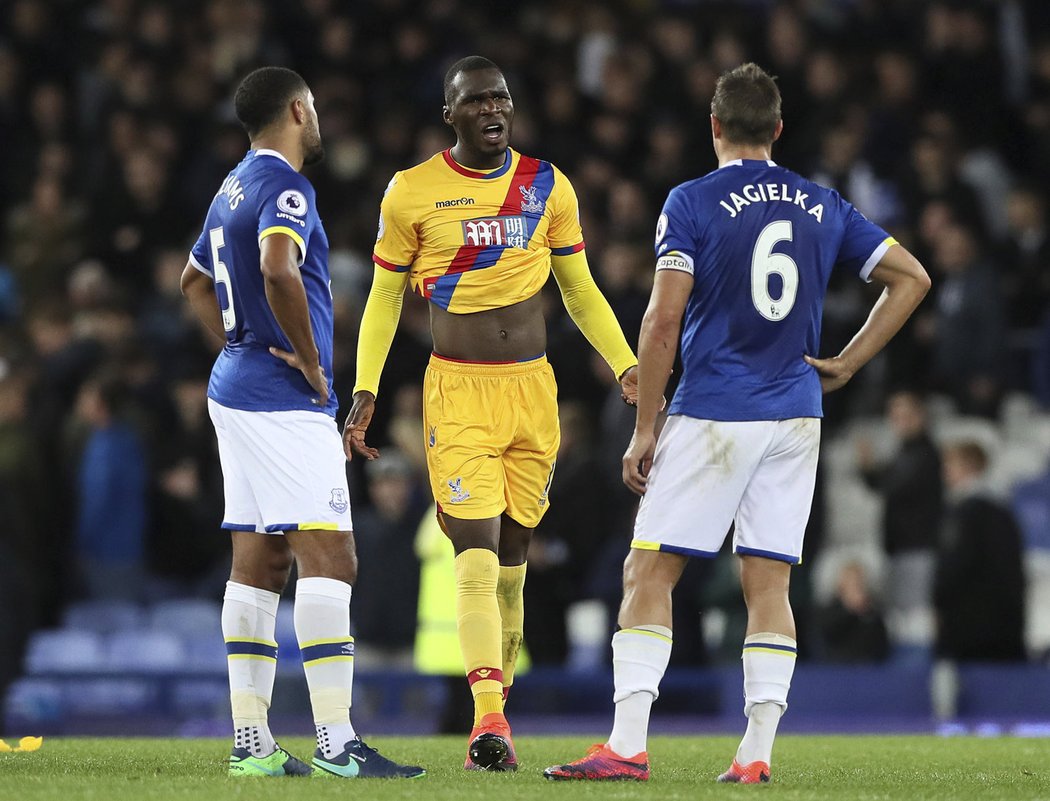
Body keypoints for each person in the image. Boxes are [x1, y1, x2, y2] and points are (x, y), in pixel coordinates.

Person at [545, 63, 930, 784]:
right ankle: (756, 754)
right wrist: (847, 361)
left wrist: (646, 425)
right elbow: (911, 277)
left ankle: (626, 744)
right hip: (797, 414)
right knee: (768, 582)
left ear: (715, 126)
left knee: (648, 568)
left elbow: (662, 317)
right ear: (779, 129)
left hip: (717, 408)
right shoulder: (822, 203)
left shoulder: (692, 201)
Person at [345, 55, 639, 771]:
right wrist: (366, 387)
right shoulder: (411, 192)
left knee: (513, 562)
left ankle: (494, 719)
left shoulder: (547, 184)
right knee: (473, 553)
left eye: (501, 96)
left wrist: (627, 364)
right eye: (475, 100)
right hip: (460, 391)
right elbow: (385, 299)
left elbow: (579, 288)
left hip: (533, 393)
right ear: (451, 113)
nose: (491, 108)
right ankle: (490, 720)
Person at [179, 66, 423, 780]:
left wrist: (235, 342)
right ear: (296, 109)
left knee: (261, 562)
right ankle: (336, 741)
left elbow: (192, 282)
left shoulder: (230, 187)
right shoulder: (287, 186)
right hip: (283, 399)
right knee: (332, 558)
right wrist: (314, 365)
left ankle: (251, 741)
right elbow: (279, 266)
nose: (318, 122)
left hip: (235, 388)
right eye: (313, 109)